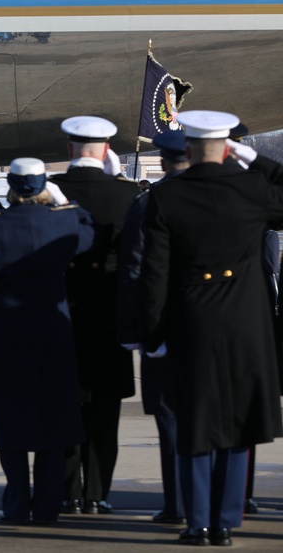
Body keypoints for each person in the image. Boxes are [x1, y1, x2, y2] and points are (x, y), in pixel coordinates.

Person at [140, 110, 283, 546]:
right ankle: (225, 521)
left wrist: (153, 334)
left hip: (192, 318)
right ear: (227, 147)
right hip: (245, 321)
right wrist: (257, 161)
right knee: (238, 423)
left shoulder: (167, 197)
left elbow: (154, 274)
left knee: (195, 420)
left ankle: (197, 521)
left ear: (187, 150)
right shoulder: (253, 189)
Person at [0, 157, 94, 525]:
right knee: (53, 423)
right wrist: (63, 200)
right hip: (54, 334)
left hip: (7, 334)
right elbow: (89, 231)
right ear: (41, 186)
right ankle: (49, 505)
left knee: (12, 423)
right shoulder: (64, 220)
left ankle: (17, 504)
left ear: (12, 186)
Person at [50, 115, 139, 515]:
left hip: (60, 316)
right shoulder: (129, 193)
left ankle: (67, 491)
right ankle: (98, 493)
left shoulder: (53, 192)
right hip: (109, 317)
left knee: (62, 411)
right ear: (106, 151)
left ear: (69, 149)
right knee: (105, 415)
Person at [116, 129, 191, 525]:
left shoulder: (149, 203)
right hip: (220, 326)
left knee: (171, 416)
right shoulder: (227, 196)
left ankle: (178, 504)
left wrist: (134, 329)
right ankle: (226, 503)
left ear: (163, 162)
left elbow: (134, 270)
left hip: (163, 325)